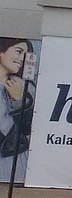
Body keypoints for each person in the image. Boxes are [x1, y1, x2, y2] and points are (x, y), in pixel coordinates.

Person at [0, 38, 34, 186]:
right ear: (2, 51)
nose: (21, 59)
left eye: (25, 55)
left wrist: (20, 100)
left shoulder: (25, 87)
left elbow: (29, 128)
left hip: (13, 161)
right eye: (18, 52)